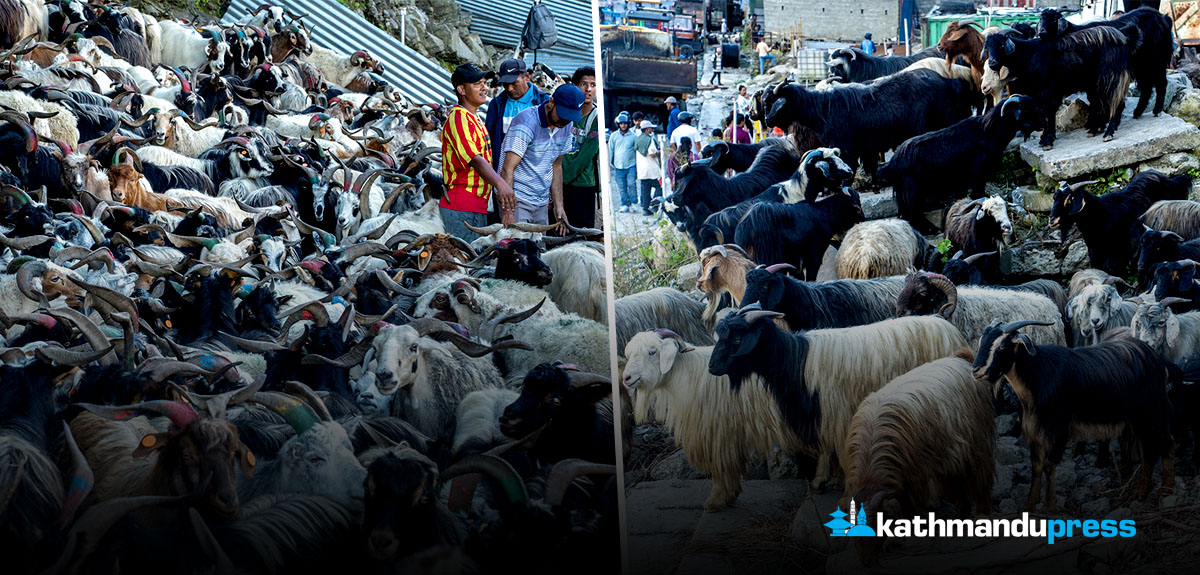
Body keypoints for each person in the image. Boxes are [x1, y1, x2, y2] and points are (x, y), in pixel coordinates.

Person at [440, 63, 515, 241]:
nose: (485, 88)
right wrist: (501, 184)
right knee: (465, 262)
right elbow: (475, 159)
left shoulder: (474, 118)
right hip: (461, 207)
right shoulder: (458, 117)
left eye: (484, 82)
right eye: (477, 84)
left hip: (476, 206)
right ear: (461, 90)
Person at [500, 84, 585, 226]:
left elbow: (556, 165)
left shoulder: (566, 126)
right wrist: (508, 211)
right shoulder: (526, 124)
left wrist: (559, 206)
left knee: (539, 246)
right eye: (563, 114)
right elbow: (507, 169)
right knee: (519, 245)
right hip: (518, 199)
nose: (565, 121)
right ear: (551, 102)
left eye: (570, 117)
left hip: (541, 200)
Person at [560, 66, 600, 228]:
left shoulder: (596, 118)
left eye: (593, 85)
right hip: (560, 182)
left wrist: (563, 179)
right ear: (575, 86)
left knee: (581, 230)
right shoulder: (565, 114)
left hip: (582, 185)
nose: (588, 89)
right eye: (583, 84)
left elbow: (586, 156)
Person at [607, 111, 638, 212]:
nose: (623, 126)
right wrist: (611, 163)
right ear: (618, 125)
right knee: (621, 186)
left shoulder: (633, 136)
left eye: (625, 124)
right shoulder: (613, 136)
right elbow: (611, 149)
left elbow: (636, 150)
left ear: (628, 124)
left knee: (631, 184)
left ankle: (634, 203)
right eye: (621, 124)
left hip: (631, 165)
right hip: (618, 166)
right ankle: (625, 204)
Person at [635, 120, 662, 216]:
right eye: (650, 128)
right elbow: (652, 154)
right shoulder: (649, 140)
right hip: (652, 169)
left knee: (645, 190)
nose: (652, 129)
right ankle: (654, 204)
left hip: (642, 170)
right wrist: (660, 152)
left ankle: (645, 208)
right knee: (659, 187)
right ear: (647, 129)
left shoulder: (638, 139)